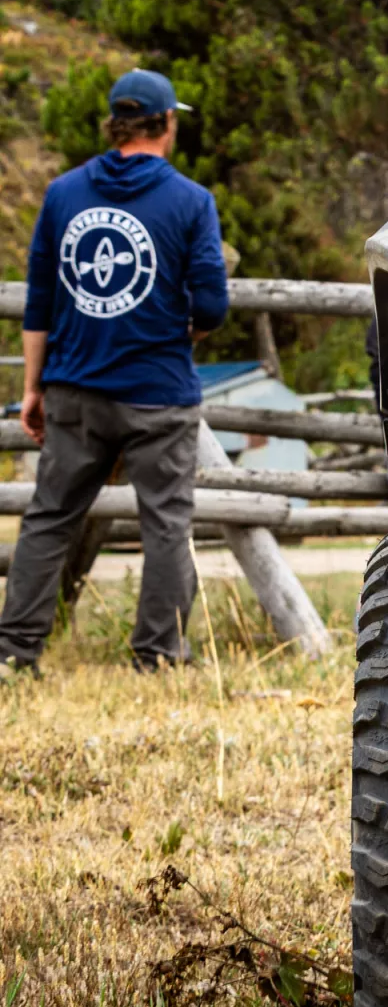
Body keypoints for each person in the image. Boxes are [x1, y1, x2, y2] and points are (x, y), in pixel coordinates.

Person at [0, 70, 228, 677]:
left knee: (50, 518)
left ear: (115, 124)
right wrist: (186, 332)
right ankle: (157, 655)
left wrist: (32, 387)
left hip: (74, 390)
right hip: (157, 394)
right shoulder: (190, 201)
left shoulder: (62, 195)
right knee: (166, 524)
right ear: (166, 125)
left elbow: (41, 301)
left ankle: (15, 652)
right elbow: (211, 304)